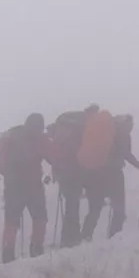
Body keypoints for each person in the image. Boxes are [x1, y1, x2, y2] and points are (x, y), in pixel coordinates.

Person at [0, 113, 53, 263]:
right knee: (40, 218)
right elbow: (53, 156)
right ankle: (36, 249)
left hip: (14, 187)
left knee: (12, 221)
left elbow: (0, 164)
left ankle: (8, 254)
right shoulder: (39, 139)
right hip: (33, 186)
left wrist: (9, 174)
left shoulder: (12, 136)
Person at [82, 113, 139, 239]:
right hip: (114, 174)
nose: (132, 127)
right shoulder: (123, 134)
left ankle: (85, 235)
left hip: (95, 173)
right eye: (131, 124)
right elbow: (126, 154)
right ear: (126, 124)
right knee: (119, 208)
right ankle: (114, 236)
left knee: (95, 208)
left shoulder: (104, 132)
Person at [45, 104, 96, 247]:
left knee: (71, 204)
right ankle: (71, 237)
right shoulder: (78, 129)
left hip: (64, 171)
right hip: (75, 170)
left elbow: (57, 155)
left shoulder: (63, 132)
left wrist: (56, 171)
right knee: (73, 203)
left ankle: (69, 236)